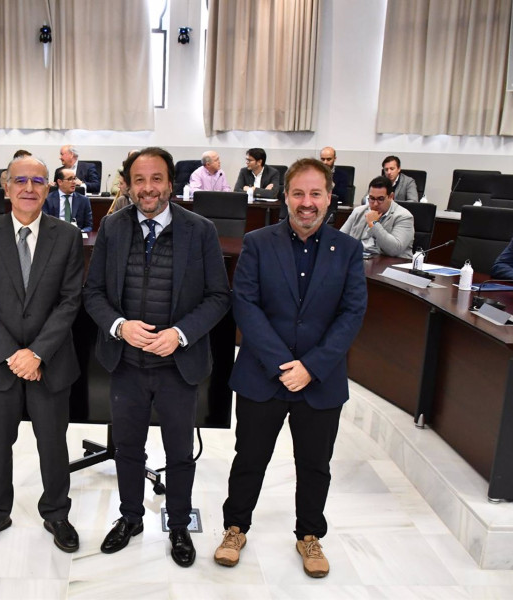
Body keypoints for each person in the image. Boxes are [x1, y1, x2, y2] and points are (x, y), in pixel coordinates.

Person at [214, 158, 366, 578]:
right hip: (263, 375)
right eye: (298, 193)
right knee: (250, 458)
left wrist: (311, 367)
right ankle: (235, 527)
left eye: (315, 193)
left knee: (315, 463)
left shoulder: (349, 250)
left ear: (329, 198)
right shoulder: (258, 242)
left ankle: (309, 535)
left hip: (320, 381)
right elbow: (244, 304)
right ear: (285, 197)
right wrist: (285, 365)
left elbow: (352, 314)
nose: (306, 202)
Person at [83, 147, 231, 568]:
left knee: (179, 452)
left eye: (157, 179)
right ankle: (130, 519)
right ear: (128, 185)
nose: (148, 189)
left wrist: (181, 334)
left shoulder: (200, 230)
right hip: (125, 363)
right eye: (140, 180)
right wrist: (119, 326)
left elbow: (220, 296)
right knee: (128, 448)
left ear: (170, 183)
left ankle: (179, 525)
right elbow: (91, 293)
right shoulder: (112, 227)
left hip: (177, 367)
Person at [0, 155, 84, 554]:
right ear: (6, 187)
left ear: (49, 188)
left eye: (37, 181)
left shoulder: (66, 235)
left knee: (53, 442)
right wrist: (12, 354)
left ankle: (56, 512)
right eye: (20, 180)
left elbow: (70, 302)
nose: (29, 188)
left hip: (49, 361)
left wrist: (36, 353)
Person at [340, 175, 414, 259]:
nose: (375, 204)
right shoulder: (359, 211)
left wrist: (374, 224)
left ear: (391, 197)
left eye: (380, 199)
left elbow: (395, 250)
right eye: (372, 198)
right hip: (360, 260)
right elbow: (340, 239)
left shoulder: (404, 216)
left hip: (390, 264)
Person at [43, 167, 93, 232]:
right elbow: (44, 224)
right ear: (60, 182)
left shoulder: (84, 200)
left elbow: (89, 226)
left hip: (76, 236)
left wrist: (81, 232)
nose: (74, 182)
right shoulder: (48, 200)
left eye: (74, 179)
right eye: (70, 179)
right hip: (55, 235)